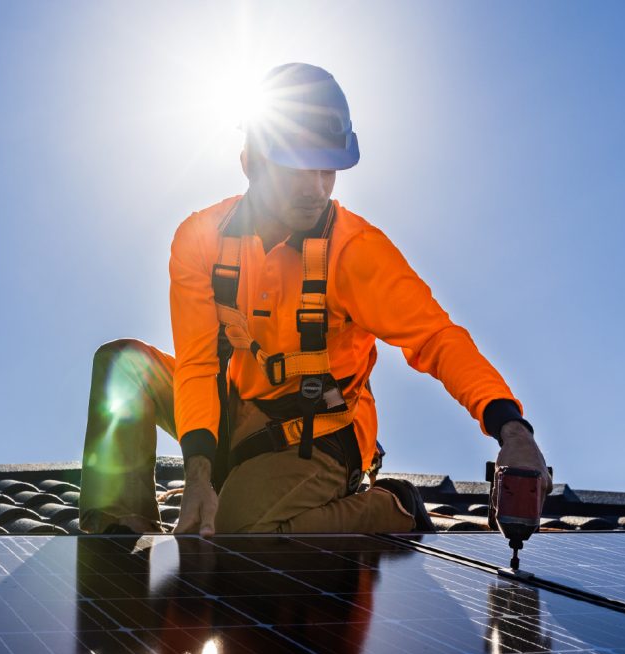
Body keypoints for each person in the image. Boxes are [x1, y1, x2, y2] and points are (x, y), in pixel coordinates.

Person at [79, 63, 550, 536]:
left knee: (238, 534)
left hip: (318, 435)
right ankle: (119, 546)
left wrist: (512, 430)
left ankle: (392, 508)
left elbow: (436, 338)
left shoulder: (354, 251)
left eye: (327, 169)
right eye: (295, 170)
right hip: (232, 413)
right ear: (250, 163)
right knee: (123, 366)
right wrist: (198, 474)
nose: (315, 189)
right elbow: (198, 366)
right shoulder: (199, 240)